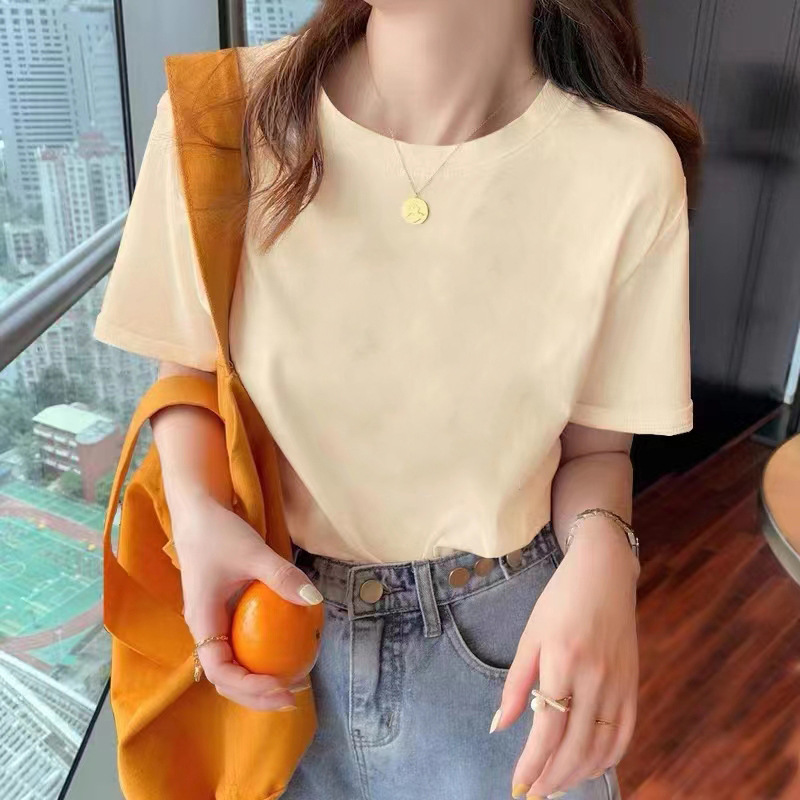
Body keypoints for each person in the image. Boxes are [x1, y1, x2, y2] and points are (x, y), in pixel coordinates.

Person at [93, 1, 701, 798]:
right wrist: (199, 509)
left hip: (508, 666)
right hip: (265, 643)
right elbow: (187, 371)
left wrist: (604, 559)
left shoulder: (627, 171)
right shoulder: (221, 116)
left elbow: (595, 451)